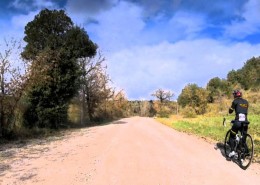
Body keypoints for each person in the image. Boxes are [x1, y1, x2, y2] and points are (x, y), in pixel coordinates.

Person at [228, 89, 249, 158]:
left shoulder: (235, 101)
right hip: (245, 123)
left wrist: (230, 109)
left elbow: (230, 111)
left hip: (238, 122)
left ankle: (232, 151)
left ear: (234, 95)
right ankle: (245, 152)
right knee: (243, 138)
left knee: (232, 135)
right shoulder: (246, 102)